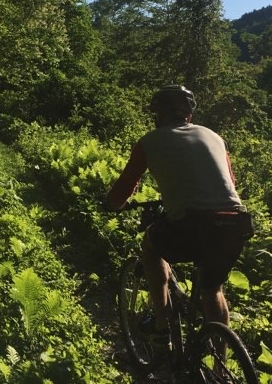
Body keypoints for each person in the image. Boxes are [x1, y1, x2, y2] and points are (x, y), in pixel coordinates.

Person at [105, 85, 253, 348]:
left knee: (151, 247)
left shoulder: (150, 141)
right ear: (189, 115)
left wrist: (112, 205)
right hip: (234, 222)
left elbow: (124, 188)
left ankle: (161, 327)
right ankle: (221, 371)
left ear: (159, 114)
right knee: (212, 290)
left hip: (191, 224)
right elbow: (229, 182)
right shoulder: (214, 137)